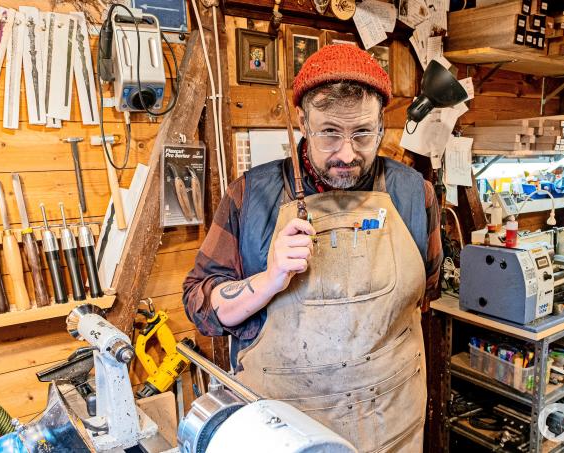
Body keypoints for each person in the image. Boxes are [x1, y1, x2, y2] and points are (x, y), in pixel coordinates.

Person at [183, 44, 442, 452]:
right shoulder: (249, 197)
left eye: (363, 134)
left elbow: (425, 291)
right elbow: (200, 308)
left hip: (393, 425)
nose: (347, 153)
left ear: (381, 126)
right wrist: (269, 281)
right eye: (329, 133)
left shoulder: (415, 194)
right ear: (303, 123)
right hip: (288, 435)